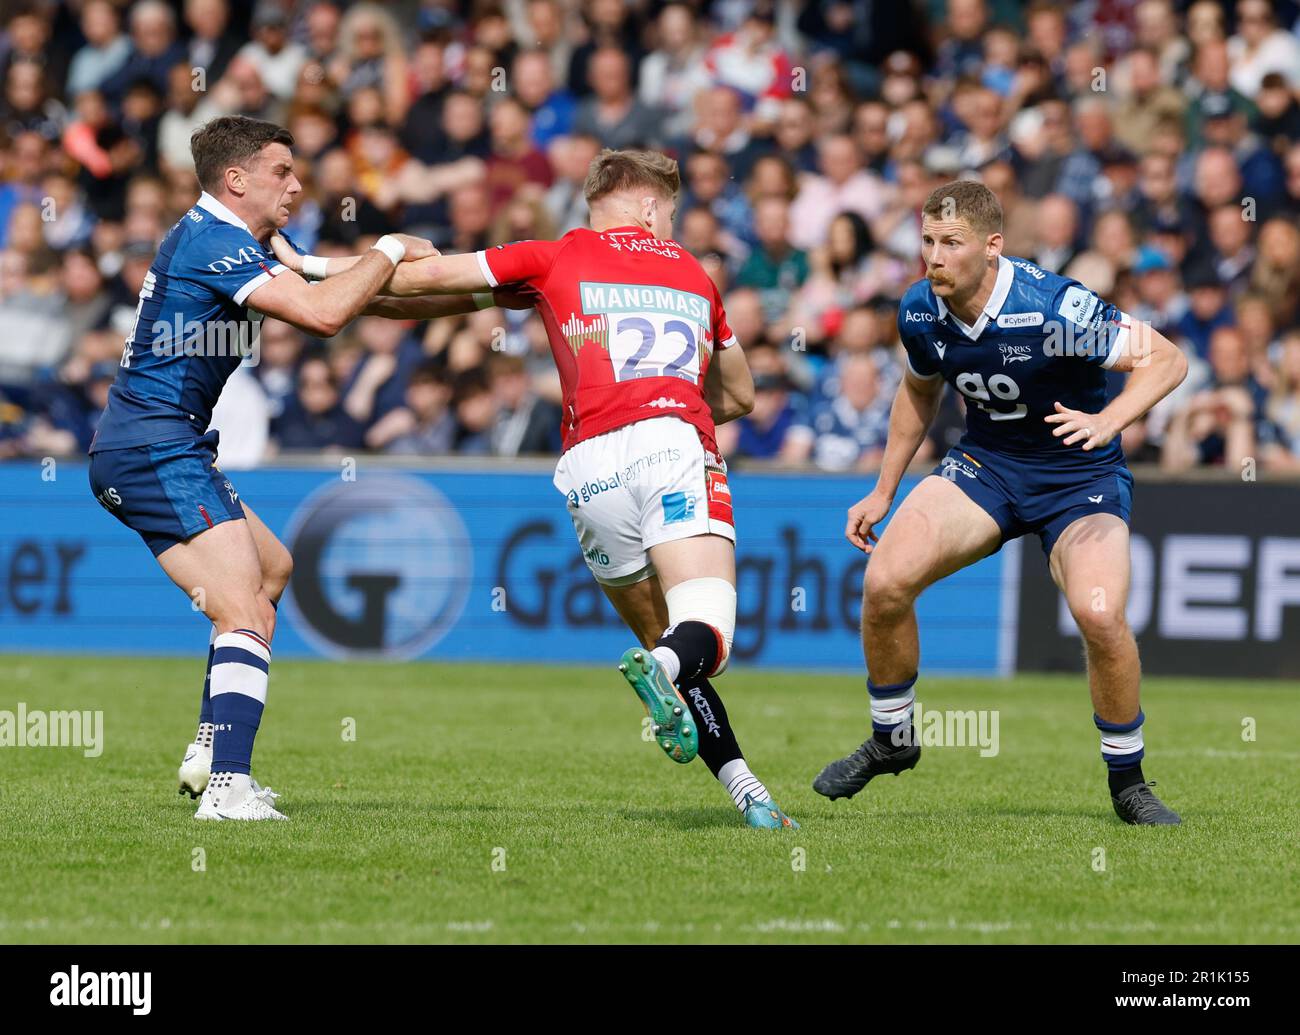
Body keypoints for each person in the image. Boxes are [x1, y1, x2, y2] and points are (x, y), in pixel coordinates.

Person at [274, 148, 798, 829]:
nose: (669, 223)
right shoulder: (697, 273)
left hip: (589, 467)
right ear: (647, 206)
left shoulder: (554, 257)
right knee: (709, 634)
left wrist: (311, 266)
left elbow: (425, 282)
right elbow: (744, 394)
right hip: (672, 444)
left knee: (668, 643)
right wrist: (672, 398)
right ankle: (667, 669)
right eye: (668, 211)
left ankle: (748, 792)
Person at [87, 114, 435, 820]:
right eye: (282, 171)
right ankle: (227, 790)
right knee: (244, 607)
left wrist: (492, 289)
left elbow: (355, 288)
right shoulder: (216, 242)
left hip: (152, 445)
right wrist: (391, 245)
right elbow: (326, 313)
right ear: (235, 179)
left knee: (271, 572)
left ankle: (210, 747)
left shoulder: (240, 239)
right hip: (156, 446)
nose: (298, 184)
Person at [812, 180, 1189, 825]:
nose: (933, 255)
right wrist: (884, 488)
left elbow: (1168, 360)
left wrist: (1110, 421)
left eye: (950, 243)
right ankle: (892, 739)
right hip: (985, 467)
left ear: (992, 247)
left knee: (1099, 616)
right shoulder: (920, 310)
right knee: (884, 582)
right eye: (926, 240)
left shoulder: (1054, 306)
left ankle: (1128, 780)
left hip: (1079, 477)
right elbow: (918, 391)